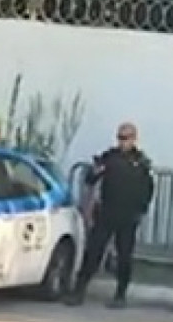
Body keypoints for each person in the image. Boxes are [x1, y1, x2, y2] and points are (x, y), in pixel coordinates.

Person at [64, 122, 154, 308]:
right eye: (120, 137)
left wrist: (141, 210)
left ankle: (120, 294)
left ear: (134, 139)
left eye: (126, 138)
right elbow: (90, 179)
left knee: (124, 256)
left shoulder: (141, 162)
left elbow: (148, 189)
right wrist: (95, 171)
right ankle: (79, 291)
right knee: (94, 252)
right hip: (107, 213)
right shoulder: (109, 157)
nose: (122, 142)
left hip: (128, 216)